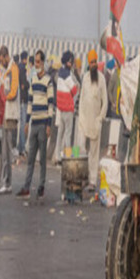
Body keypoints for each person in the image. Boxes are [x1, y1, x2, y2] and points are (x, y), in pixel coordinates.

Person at [18, 50, 53, 199]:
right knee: (31, 158)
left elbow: (51, 104)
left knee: (42, 159)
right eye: (36, 62)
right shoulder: (33, 79)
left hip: (43, 124)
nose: (36, 64)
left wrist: (49, 125)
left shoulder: (48, 81)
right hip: (33, 124)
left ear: (43, 63)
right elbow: (30, 101)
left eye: (38, 62)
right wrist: (27, 122)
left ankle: (41, 186)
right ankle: (26, 187)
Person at [78, 49, 108, 190]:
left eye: (95, 61)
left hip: (96, 121)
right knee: (82, 150)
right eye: (91, 62)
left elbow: (105, 102)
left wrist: (100, 118)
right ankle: (82, 177)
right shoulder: (84, 78)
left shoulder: (101, 79)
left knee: (94, 152)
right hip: (84, 119)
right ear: (88, 64)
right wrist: (81, 117)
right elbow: (82, 98)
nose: (94, 64)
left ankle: (92, 181)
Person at [0, 46, 18, 194]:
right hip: (6, 115)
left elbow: (12, 92)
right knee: (4, 151)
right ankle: (3, 181)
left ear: (5, 56)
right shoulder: (8, 70)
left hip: (10, 115)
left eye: (1, 60)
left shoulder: (13, 70)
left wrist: (3, 94)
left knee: (7, 151)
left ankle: (7, 183)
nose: (0, 63)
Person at [54, 50, 79, 163]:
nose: (72, 63)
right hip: (68, 109)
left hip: (61, 108)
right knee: (68, 134)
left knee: (60, 133)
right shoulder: (68, 75)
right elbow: (74, 89)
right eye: (71, 61)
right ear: (68, 62)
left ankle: (57, 156)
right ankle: (67, 157)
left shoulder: (59, 73)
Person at [16, 50, 29, 157]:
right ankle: (22, 148)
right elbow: (24, 84)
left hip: (20, 99)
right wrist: (27, 84)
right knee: (23, 124)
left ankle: (20, 147)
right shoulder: (23, 69)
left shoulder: (18, 67)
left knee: (21, 124)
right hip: (23, 99)